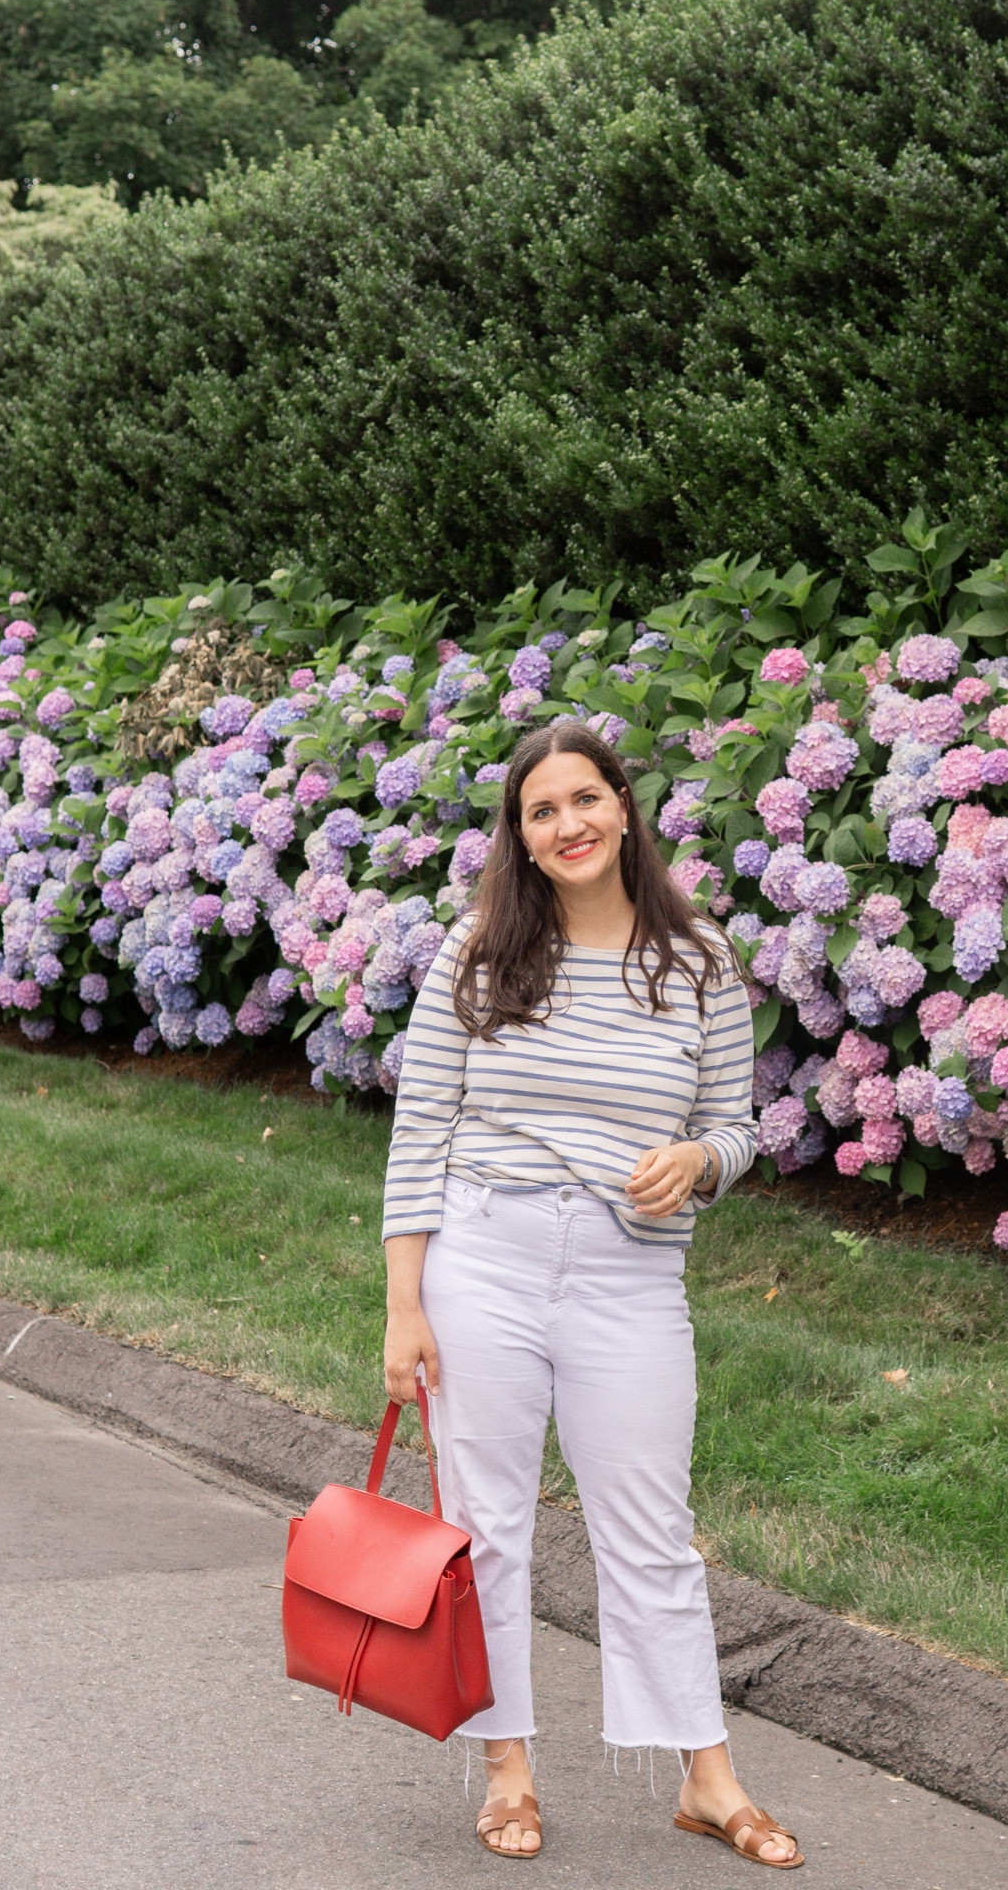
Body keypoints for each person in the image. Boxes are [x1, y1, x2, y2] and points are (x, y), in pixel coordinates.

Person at [381, 719, 803, 1867]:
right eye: (539, 810)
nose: (566, 823)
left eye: (584, 798)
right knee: (487, 1530)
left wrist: (701, 1162)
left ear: (623, 805)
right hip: (485, 1257)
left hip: (629, 1273)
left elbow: (733, 1122)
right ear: (518, 836)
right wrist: (404, 1304)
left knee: (652, 1530)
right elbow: (420, 1132)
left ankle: (705, 1778)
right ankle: (506, 1765)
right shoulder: (475, 956)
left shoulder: (699, 959)